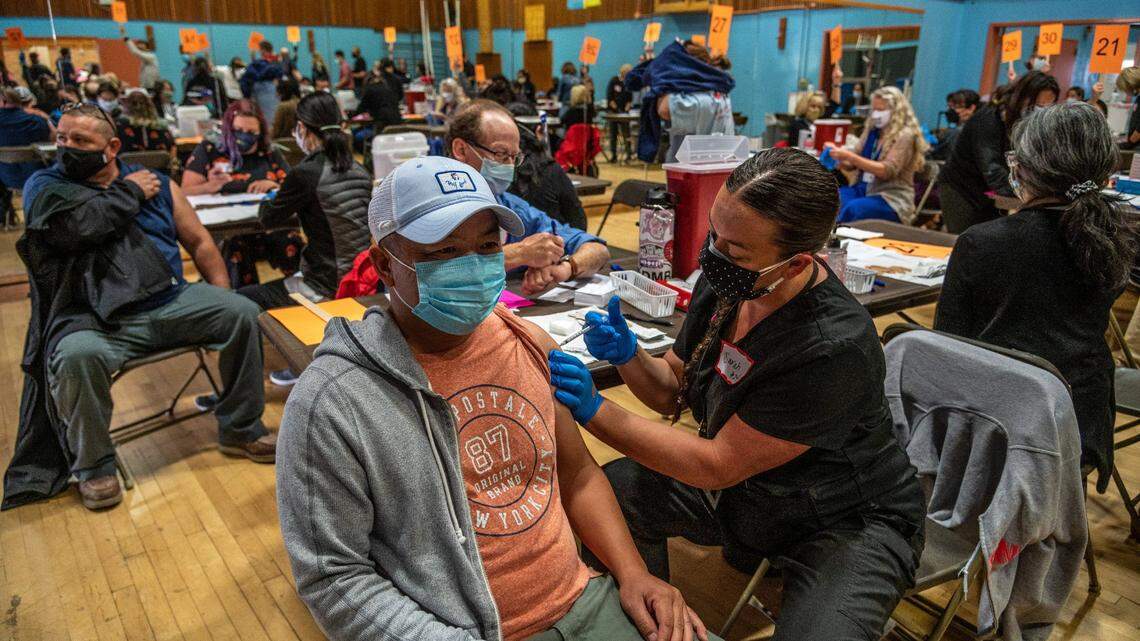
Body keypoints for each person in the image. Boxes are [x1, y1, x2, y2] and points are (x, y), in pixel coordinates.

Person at [277, 154, 712, 641]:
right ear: (384, 264)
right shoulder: (334, 402)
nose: (470, 266)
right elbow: (335, 578)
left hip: (584, 598)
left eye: (486, 247)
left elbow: (577, 473)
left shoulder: (526, 341)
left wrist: (633, 575)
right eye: (443, 253)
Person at [548, 147, 925, 641]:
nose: (714, 255)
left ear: (795, 265)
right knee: (614, 496)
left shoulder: (832, 348)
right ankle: (652, 620)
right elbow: (672, 393)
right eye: (714, 234)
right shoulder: (733, 282)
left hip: (845, 516)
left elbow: (715, 463)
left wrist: (596, 411)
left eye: (736, 250)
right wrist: (630, 357)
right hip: (754, 492)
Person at [3, 104, 274, 512]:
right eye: (62, 138)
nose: (67, 147)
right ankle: (95, 466)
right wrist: (128, 194)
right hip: (95, 319)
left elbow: (199, 242)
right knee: (76, 356)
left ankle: (240, 427)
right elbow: (75, 230)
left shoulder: (158, 184)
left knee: (241, 313)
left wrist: (223, 293)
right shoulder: (46, 186)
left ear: (111, 147)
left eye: (80, 141)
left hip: (170, 301)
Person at [935, 102, 1135, 493]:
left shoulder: (983, 242)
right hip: (1077, 424)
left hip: (992, 423)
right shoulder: (1113, 239)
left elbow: (945, 348)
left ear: (1024, 169)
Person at [236, 92, 373, 387]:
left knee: (242, 300)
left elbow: (269, 218)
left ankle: (294, 364)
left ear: (302, 129)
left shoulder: (307, 173)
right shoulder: (360, 169)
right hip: (362, 281)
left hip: (324, 285)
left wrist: (268, 195)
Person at [447, 100, 610, 295]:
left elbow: (597, 249)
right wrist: (519, 254)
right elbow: (433, 272)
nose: (508, 166)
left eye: (514, 157)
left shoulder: (511, 208)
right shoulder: (428, 206)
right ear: (461, 150)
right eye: (500, 153)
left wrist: (565, 268)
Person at [181, 100, 299, 288]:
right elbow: (184, 192)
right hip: (227, 229)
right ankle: (244, 300)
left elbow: (293, 186)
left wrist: (273, 184)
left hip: (265, 223)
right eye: (239, 130)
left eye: (252, 133)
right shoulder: (210, 148)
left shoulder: (269, 151)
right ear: (229, 127)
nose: (244, 136)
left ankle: (300, 295)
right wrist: (209, 186)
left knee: (290, 240)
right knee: (235, 247)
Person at [938, 70, 1058, 233]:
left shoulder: (1022, 124)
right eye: (1037, 105)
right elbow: (992, 169)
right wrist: (1028, 192)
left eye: (1047, 107)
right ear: (1021, 98)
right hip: (961, 190)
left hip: (989, 195)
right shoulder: (988, 120)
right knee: (965, 241)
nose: (1041, 112)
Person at [826, 85, 928, 224]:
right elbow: (851, 165)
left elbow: (887, 171)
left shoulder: (905, 136)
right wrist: (838, 156)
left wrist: (850, 157)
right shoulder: (872, 131)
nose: (876, 114)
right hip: (862, 189)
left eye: (881, 110)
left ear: (895, 111)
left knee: (854, 209)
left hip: (890, 196)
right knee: (829, 200)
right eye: (874, 109)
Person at [512, 125, 588, 230]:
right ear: (539, 131)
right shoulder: (551, 169)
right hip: (557, 239)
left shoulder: (493, 173)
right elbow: (577, 218)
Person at [0, 87, 52, 225]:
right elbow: (52, 140)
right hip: (38, 178)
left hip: (6, 179)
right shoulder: (36, 120)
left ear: (3, 102)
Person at [241, 40, 284, 124]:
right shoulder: (276, 63)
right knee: (273, 118)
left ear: (262, 50)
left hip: (261, 92)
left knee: (263, 120)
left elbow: (246, 81)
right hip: (272, 91)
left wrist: (246, 96)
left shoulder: (257, 65)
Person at [606, 64, 634, 162]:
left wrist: (627, 107)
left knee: (626, 134)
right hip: (613, 112)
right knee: (613, 134)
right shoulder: (614, 80)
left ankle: (628, 154)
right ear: (622, 72)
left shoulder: (628, 83)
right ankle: (613, 155)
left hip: (624, 113)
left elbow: (630, 99)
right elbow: (610, 98)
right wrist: (616, 109)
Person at [119, 26, 160, 91]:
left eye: (141, 45)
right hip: (146, 87)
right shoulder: (144, 61)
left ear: (147, 47)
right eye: (138, 46)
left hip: (152, 88)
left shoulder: (151, 56)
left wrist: (125, 36)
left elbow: (135, 52)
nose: (139, 47)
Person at [1118, 67, 1140, 150]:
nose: (1125, 91)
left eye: (1125, 88)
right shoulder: (1138, 98)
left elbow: (1137, 133)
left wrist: (1126, 145)